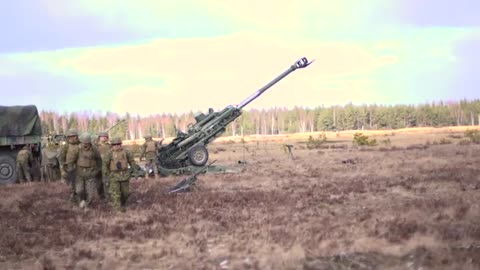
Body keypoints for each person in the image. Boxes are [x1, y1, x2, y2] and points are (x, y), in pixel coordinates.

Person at [102, 137, 140, 212]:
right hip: (113, 176)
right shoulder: (109, 153)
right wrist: (105, 175)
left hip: (124, 175)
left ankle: (122, 204)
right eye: (114, 144)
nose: (116, 146)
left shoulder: (126, 152)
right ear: (112, 145)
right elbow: (104, 164)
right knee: (115, 193)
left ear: (120, 144)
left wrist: (135, 171)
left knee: (125, 193)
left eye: (118, 144)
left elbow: (132, 161)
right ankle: (117, 209)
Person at [68, 132, 102, 209]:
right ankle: (82, 200)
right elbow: (71, 160)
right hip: (79, 173)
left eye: (86, 142)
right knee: (79, 190)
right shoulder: (77, 149)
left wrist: (97, 170)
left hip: (91, 173)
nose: (85, 144)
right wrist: (70, 170)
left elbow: (99, 160)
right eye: (83, 142)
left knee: (90, 193)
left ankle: (87, 205)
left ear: (89, 142)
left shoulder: (94, 149)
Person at [59, 128, 80, 203]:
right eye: (70, 137)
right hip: (69, 169)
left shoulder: (81, 145)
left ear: (77, 136)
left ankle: (79, 199)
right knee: (71, 187)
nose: (72, 138)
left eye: (73, 136)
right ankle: (71, 201)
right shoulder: (65, 146)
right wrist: (62, 171)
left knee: (79, 186)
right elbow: (61, 159)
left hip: (79, 169)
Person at [96, 131, 111, 198]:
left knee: (107, 181)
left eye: (105, 137)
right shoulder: (96, 146)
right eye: (102, 137)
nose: (104, 138)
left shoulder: (110, 146)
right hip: (98, 165)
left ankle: (107, 194)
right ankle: (100, 194)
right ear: (99, 138)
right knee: (99, 181)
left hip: (108, 166)